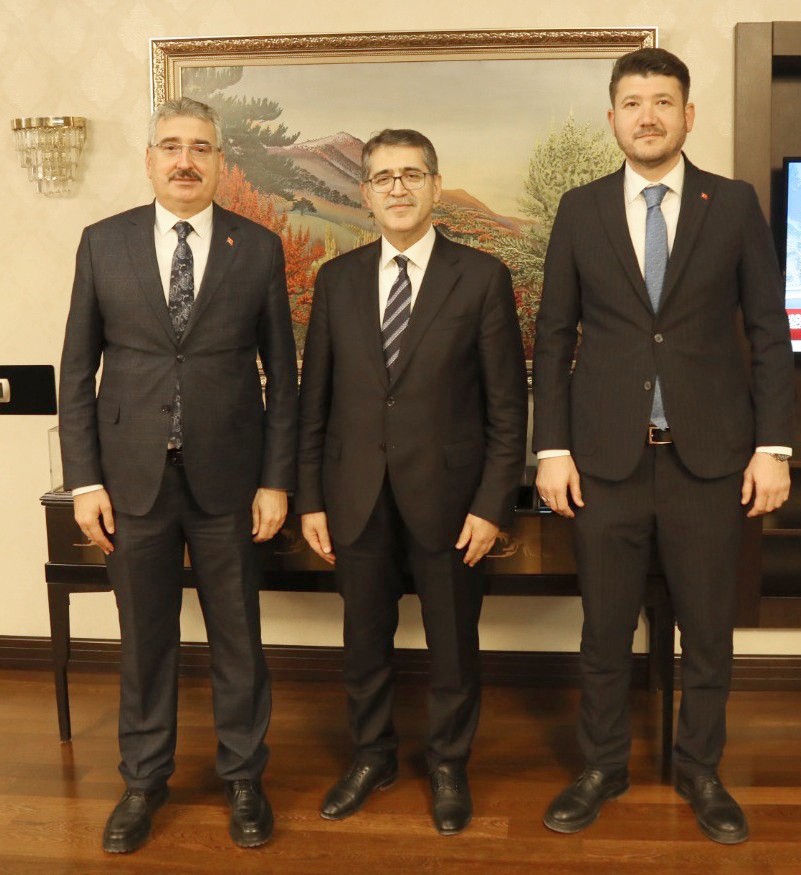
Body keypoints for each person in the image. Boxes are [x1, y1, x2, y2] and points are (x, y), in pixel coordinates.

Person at [532, 48, 793, 845]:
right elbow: (553, 335)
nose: (647, 115)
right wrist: (551, 449)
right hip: (603, 460)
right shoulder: (580, 209)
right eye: (632, 102)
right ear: (611, 117)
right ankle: (602, 766)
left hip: (709, 460)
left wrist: (773, 445)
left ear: (687, 115)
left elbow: (768, 331)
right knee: (603, 629)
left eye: (662, 101)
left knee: (707, 630)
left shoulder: (732, 203)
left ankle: (700, 770)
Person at [58, 97, 298, 853]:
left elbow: (282, 376)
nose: (185, 160)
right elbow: (76, 372)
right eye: (171, 146)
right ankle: (142, 780)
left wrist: (276, 480)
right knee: (144, 638)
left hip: (231, 479)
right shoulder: (103, 242)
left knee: (238, 636)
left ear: (221, 162)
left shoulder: (257, 248)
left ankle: (243, 776)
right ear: (150, 159)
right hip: (131, 481)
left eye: (200, 147)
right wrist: (84, 482)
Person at [296, 129, 527, 835]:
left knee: (453, 643)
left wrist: (492, 505)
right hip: (354, 494)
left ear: (434, 186)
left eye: (411, 174)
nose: (397, 188)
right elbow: (314, 401)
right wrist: (310, 498)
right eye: (383, 177)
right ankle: (373, 757)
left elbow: (506, 408)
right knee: (363, 641)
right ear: (365, 193)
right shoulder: (336, 280)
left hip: (452, 500)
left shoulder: (481, 277)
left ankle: (449, 764)